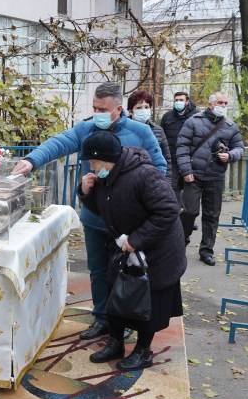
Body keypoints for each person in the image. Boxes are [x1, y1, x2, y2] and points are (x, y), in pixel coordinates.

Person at [11, 81, 166, 343]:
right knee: (97, 271)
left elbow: (159, 168)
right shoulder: (86, 129)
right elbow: (59, 142)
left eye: (102, 109)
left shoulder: (140, 132)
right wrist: (32, 160)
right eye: (94, 108)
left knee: (125, 273)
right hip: (95, 217)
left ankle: (124, 320)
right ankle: (102, 318)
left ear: (118, 109)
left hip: (127, 221)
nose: (97, 114)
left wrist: (142, 200)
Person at [77, 130, 186, 368]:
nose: (92, 167)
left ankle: (143, 351)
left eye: (94, 161)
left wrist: (137, 239)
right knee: (116, 293)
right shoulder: (107, 174)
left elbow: (168, 209)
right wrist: (85, 192)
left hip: (158, 250)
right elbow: (103, 209)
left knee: (148, 301)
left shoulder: (145, 175)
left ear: (107, 158)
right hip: (127, 248)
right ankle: (115, 343)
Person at [176, 91, 245, 266]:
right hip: (193, 175)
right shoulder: (193, 121)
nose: (223, 106)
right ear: (210, 104)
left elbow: (239, 148)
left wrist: (230, 155)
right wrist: (186, 170)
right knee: (189, 211)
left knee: (212, 215)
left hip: (215, 176)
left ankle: (206, 251)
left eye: (225, 103)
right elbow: (182, 146)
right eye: (220, 103)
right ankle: (179, 244)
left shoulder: (230, 126)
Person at [160, 91, 199, 202]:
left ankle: (186, 209)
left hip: (190, 160)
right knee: (172, 187)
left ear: (187, 101)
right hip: (172, 159)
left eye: (181, 100)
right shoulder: (167, 117)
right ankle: (175, 209)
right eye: (176, 100)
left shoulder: (196, 116)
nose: (178, 102)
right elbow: (162, 136)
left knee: (189, 188)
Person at [127, 89, 171, 184]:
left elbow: (167, 159)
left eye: (146, 107)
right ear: (130, 111)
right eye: (139, 108)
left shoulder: (158, 130)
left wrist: (166, 184)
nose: (143, 110)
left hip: (152, 181)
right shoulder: (124, 129)